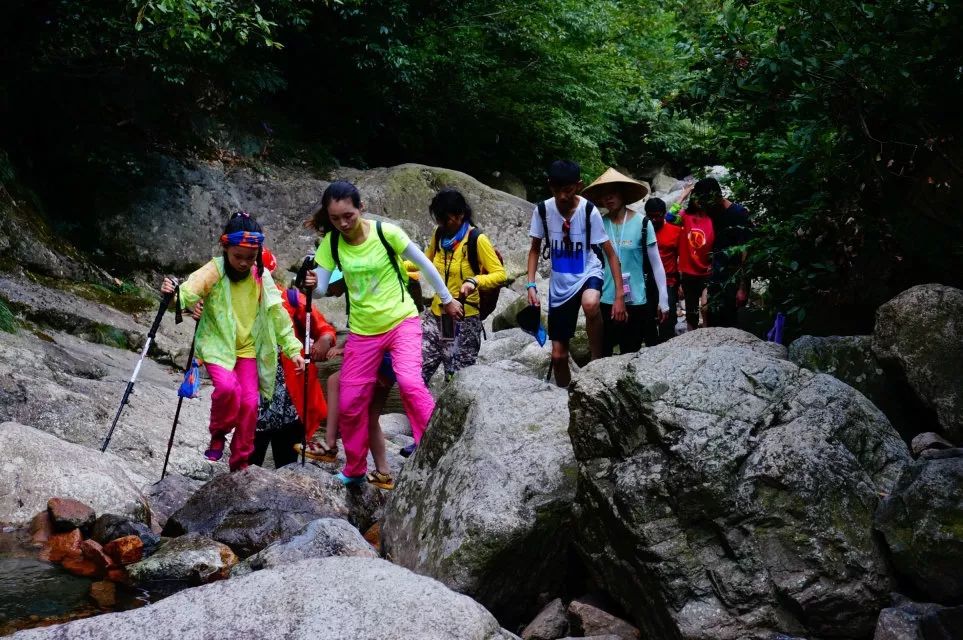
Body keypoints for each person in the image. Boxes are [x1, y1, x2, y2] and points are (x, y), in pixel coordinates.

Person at [303, 180, 462, 485]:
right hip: (363, 332)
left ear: (361, 208)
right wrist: (313, 284)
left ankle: (437, 448)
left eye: (348, 215)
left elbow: (425, 265)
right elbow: (322, 290)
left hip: (402, 321)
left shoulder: (385, 233)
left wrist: (446, 298)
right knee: (349, 403)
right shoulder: (332, 244)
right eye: (335, 219)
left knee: (410, 382)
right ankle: (355, 468)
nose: (343, 223)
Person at [161, 212, 305, 472]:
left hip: (248, 349)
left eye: (250, 257)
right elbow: (186, 296)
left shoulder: (260, 274)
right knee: (228, 390)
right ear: (225, 248)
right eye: (238, 256)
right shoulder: (214, 270)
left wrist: (294, 348)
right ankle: (218, 433)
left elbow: (277, 314)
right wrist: (172, 294)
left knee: (250, 406)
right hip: (217, 345)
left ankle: (240, 464)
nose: (243, 263)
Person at [527, 160, 627, 387]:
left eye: (568, 190)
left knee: (591, 303)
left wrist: (619, 295)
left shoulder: (589, 211)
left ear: (578, 186)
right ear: (549, 185)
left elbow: (610, 254)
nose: (562, 196)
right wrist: (530, 285)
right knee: (558, 356)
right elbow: (534, 250)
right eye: (556, 189)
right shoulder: (542, 210)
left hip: (588, 271)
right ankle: (567, 397)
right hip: (560, 283)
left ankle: (596, 359)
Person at [249, 248, 335, 468]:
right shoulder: (235, 302)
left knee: (287, 465)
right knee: (247, 464)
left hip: (291, 402)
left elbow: (324, 329)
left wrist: (323, 341)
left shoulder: (292, 299)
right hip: (253, 397)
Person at [421, 187, 506, 383]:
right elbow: (424, 263)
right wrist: (397, 264)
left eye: (446, 218)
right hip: (437, 315)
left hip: (464, 320)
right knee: (416, 373)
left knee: (456, 379)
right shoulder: (439, 235)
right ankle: (421, 412)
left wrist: (474, 281)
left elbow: (500, 275)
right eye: (439, 218)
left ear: (460, 215)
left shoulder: (477, 239)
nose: (442, 223)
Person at [581, 168, 668, 356]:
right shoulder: (598, 223)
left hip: (636, 298)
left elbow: (656, 263)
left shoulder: (643, 224)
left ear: (623, 194)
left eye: (612, 194)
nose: (608, 199)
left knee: (631, 353)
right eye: (604, 196)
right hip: (605, 297)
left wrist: (663, 298)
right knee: (604, 353)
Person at [693, 177, 752, 327]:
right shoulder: (713, 213)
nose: (704, 207)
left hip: (734, 278)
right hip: (716, 275)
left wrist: (743, 287)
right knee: (712, 318)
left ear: (717, 197)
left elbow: (747, 251)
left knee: (731, 322)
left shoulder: (738, 214)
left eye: (706, 202)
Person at [677, 186, 716, 331]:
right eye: (696, 197)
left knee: (706, 307)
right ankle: (691, 335)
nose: (699, 201)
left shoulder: (713, 219)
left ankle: (706, 332)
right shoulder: (685, 217)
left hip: (707, 270)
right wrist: (683, 195)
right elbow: (669, 217)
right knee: (691, 309)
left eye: (702, 198)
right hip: (688, 271)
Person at [644, 197, 683, 343]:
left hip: (669, 280)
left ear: (664, 213)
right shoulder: (641, 231)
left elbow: (681, 257)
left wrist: (681, 284)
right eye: (650, 216)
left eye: (657, 216)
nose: (654, 220)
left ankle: (667, 346)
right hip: (646, 280)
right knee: (648, 317)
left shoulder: (675, 231)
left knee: (668, 316)